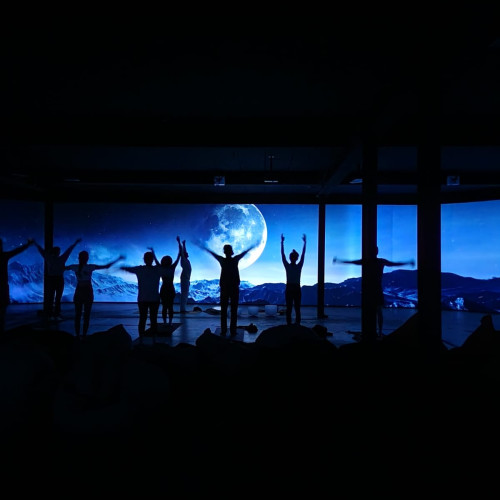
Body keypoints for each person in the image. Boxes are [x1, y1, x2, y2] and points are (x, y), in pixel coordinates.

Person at [333, 246, 415, 337]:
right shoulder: (380, 261)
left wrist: (339, 261)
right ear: (377, 252)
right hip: (376, 288)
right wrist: (407, 262)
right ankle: (379, 332)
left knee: (370, 311)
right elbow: (394, 264)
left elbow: (353, 262)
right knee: (379, 311)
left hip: (369, 289)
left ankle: (371, 332)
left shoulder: (367, 261)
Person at [200, 242, 256, 336]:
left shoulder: (223, 260)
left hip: (225, 288)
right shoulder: (235, 260)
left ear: (225, 252)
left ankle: (224, 330)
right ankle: (232, 331)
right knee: (233, 310)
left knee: (224, 311)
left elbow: (213, 254)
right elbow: (244, 253)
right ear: (231, 251)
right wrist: (252, 246)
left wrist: (204, 247)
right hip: (233, 288)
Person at [65, 251, 124, 339]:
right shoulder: (89, 267)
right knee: (86, 315)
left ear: (79, 258)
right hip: (87, 291)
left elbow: (62, 268)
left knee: (78, 314)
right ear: (87, 258)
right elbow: (106, 266)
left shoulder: (75, 267)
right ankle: (84, 335)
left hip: (80, 291)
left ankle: (77, 335)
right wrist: (118, 259)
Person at [120, 251, 164, 343]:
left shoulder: (140, 269)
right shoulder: (157, 269)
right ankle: (154, 341)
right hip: (154, 299)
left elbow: (127, 269)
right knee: (153, 319)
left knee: (143, 319)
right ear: (152, 260)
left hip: (143, 299)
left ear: (144, 259)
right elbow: (162, 267)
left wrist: (120, 264)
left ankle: (141, 340)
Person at [34, 237, 82, 319]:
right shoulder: (61, 259)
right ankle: (56, 312)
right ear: (58, 252)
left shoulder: (49, 258)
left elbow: (41, 251)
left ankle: (50, 312)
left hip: (51, 279)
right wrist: (75, 243)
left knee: (51, 296)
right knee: (58, 297)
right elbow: (69, 250)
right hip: (59, 279)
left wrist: (35, 243)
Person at [0, 237, 34, 334]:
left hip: (3, 285)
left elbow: (16, 250)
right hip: (2, 285)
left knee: (3, 308)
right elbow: (17, 251)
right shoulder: (3, 255)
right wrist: (28, 244)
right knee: (2, 309)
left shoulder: (4, 255)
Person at [149, 238, 181, 327]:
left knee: (168, 307)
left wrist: (179, 243)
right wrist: (153, 252)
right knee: (166, 307)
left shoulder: (168, 267)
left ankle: (168, 322)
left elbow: (178, 255)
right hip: (167, 289)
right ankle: (166, 322)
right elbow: (178, 256)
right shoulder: (170, 267)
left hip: (167, 289)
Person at [281, 233, 306, 326]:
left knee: (290, 308)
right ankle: (297, 324)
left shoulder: (288, 266)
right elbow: (303, 255)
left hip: (290, 288)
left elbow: (283, 255)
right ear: (296, 258)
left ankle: (289, 324)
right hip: (296, 288)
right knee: (297, 308)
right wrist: (305, 243)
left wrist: (282, 243)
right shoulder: (298, 266)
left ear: (291, 258)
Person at [179, 237, 192, 313]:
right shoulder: (183, 260)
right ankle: (182, 309)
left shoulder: (186, 260)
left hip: (186, 279)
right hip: (184, 279)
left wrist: (184, 244)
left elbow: (184, 252)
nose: (187, 253)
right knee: (184, 294)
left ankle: (183, 308)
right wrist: (180, 243)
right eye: (186, 253)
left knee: (185, 294)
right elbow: (182, 252)